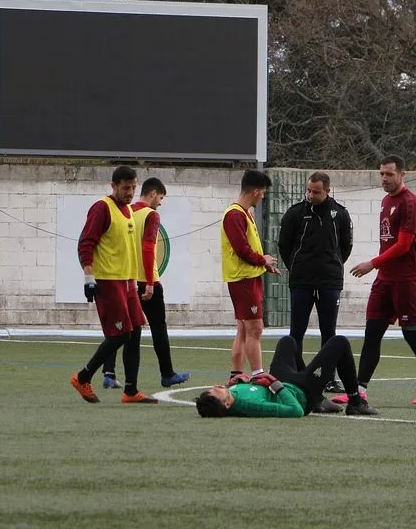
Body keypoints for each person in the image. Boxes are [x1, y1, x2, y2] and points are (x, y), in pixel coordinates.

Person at [337, 154, 416, 405]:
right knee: (372, 332)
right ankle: (359, 391)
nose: (384, 178)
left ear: (402, 175)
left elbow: (404, 245)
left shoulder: (410, 203)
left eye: (389, 174)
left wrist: (372, 264)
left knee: (411, 334)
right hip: (385, 280)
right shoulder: (386, 201)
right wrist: (379, 268)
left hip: (406, 279)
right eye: (382, 174)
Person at [70, 165, 156, 404]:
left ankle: (131, 390)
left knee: (135, 330)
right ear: (114, 186)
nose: (130, 192)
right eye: (125, 188)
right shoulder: (101, 208)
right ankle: (83, 376)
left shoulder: (128, 210)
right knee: (120, 334)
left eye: (133, 187)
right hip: (108, 281)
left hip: (127, 282)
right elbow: (86, 243)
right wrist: (89, 278)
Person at [100, 177, 191, 390]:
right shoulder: (151, 215)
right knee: (158, 327)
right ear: (152, 194)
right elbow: (149, 248)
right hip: (146, 280)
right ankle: (167, 373)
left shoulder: (126, 211)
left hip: (126, 280)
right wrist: (150, 282)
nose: (160, 202)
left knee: (123, 330)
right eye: (160, 197)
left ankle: (109, 373)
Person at [278, 171, 353, 393]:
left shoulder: (340, 214)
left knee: (328, 332)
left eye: (316, 192)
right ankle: (295, 376)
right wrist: (297, 266)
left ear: (327, 191)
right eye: (309, 190)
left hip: (329, 282)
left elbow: (345, 247)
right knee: (296, 331)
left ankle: (328, 378)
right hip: (301, 281)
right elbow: (284, 245)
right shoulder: (295, 214)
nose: (311, 195)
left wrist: (332, 265)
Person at [195, 335, 378, 418]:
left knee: (287, 342)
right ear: (226, 404)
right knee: (339, 343)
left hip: (282, 381)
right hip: (301, 392)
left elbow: (255, 389)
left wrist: (240, 381)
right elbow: (295, 410)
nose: (216, 386)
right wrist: (275, 384)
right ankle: (355, 403)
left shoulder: (231, 395)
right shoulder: (251, 407)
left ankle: (320, 400)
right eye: (215, 392)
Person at [221, 169, 280, 379]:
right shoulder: (235, 214)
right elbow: (241, 249)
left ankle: (236, 374)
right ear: (255, 191)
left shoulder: (244, 213)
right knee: (255, 328)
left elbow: (248, 248)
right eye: (263, 192)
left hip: (248, 276)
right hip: (243, 278)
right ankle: (258, 374)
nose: (263, 196)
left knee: (244, 329)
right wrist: (261, 260)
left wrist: (263, 264)